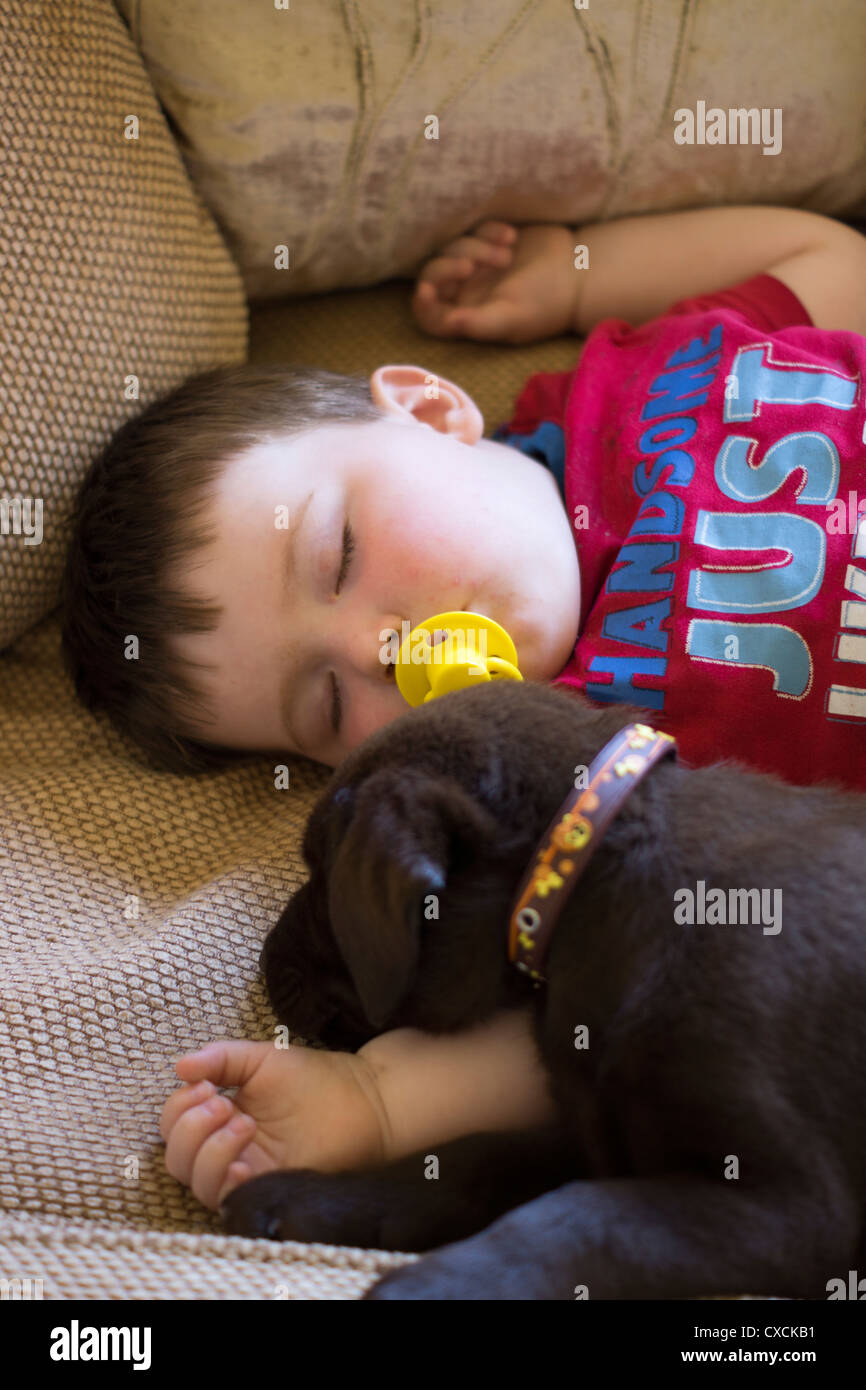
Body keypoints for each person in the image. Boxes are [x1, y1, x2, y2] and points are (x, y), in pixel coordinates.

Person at [60, 204, 866, 1213]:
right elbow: (602, 1009)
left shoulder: (653, 383)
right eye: (323, 703)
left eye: (337, 556)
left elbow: (829, 262)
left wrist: (576, 273)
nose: (378, 650)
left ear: (433, 412)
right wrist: (378, 1104)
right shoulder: (560, 793)